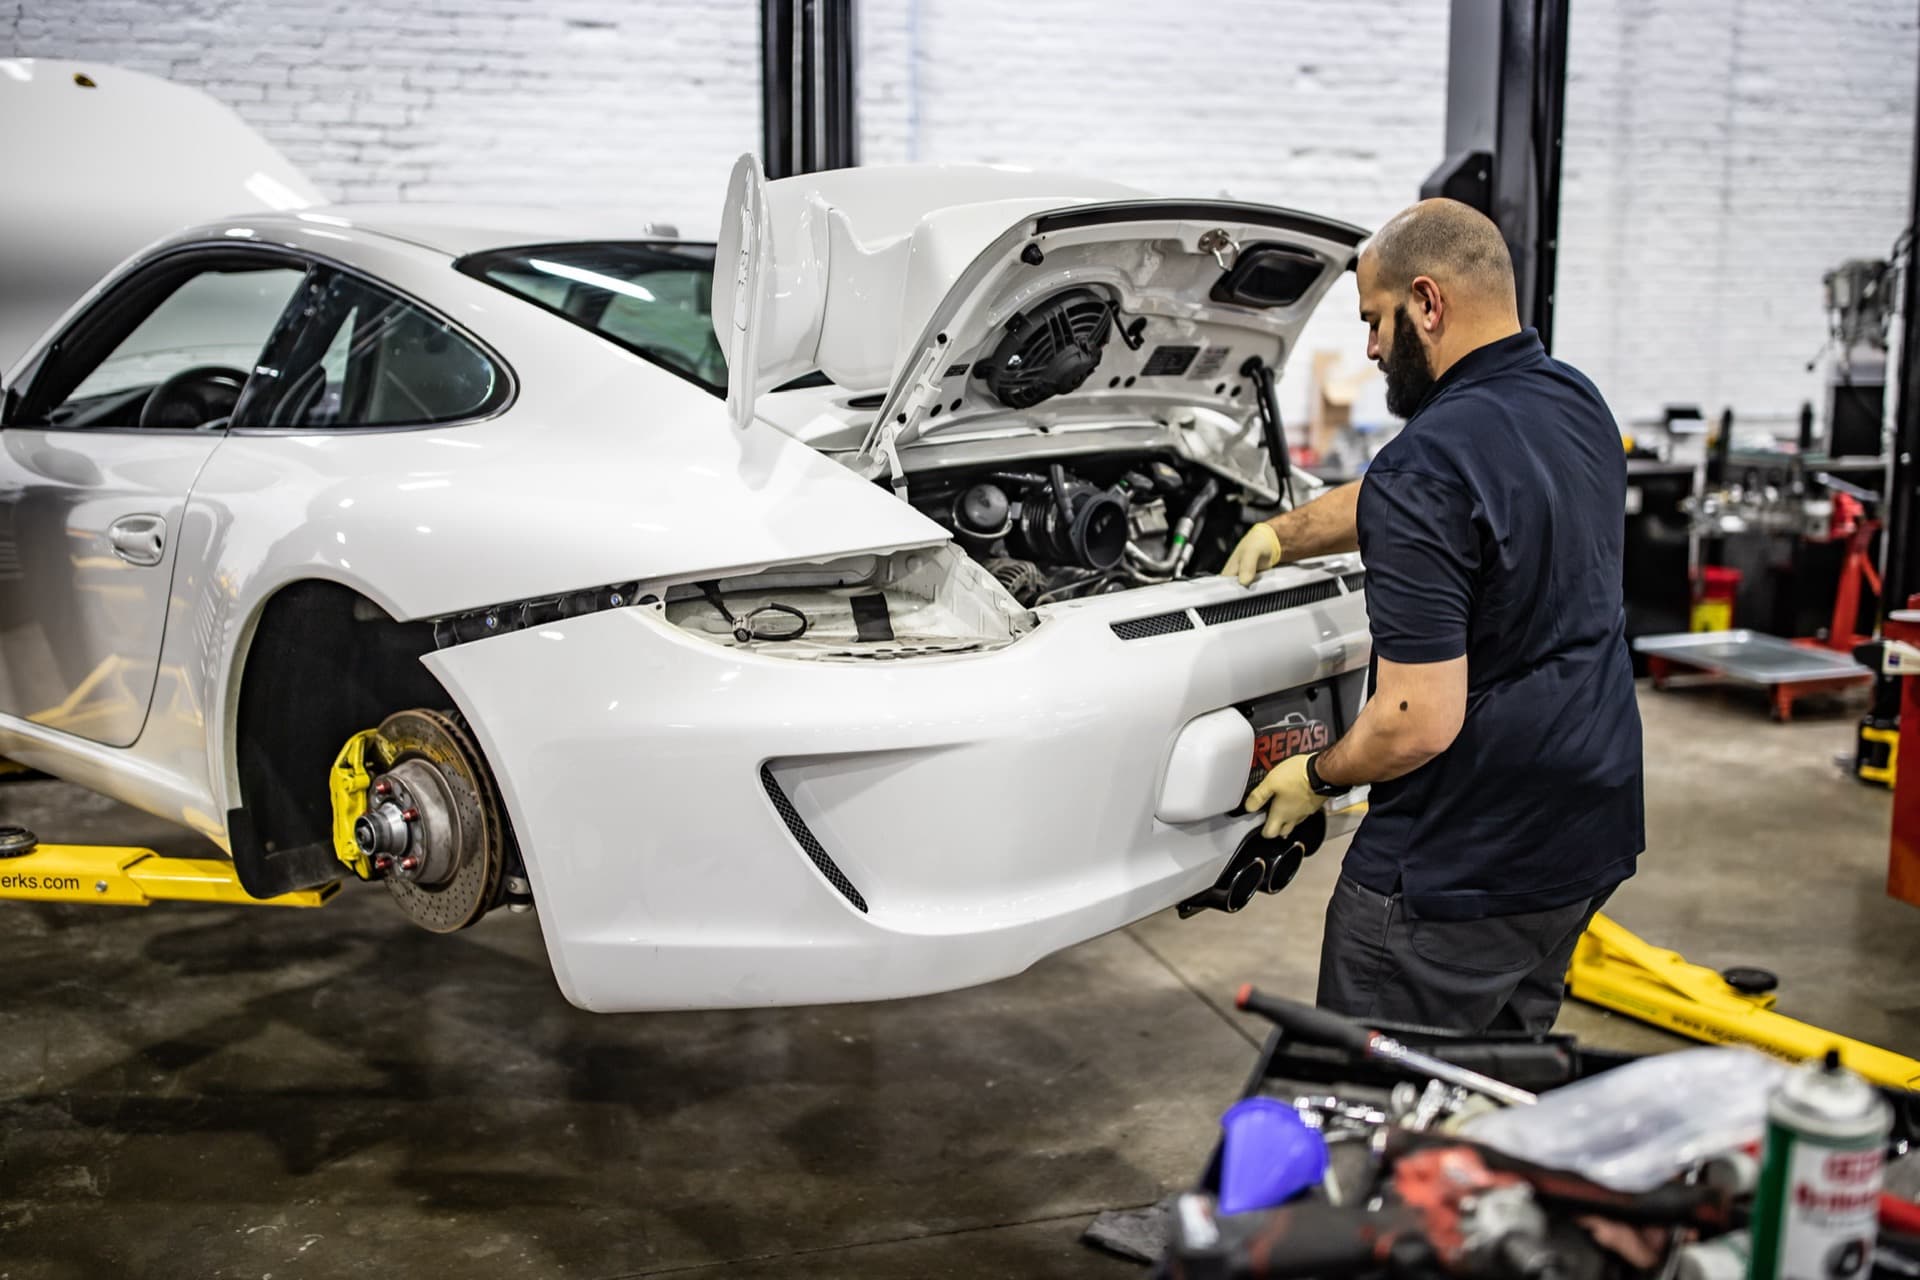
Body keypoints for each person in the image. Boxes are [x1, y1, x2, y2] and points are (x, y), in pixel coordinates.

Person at [1220, 198, 1644, 1034]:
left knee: (1377, 1114)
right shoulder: (1574, 401)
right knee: (1489, 1091)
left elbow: (1415, 720)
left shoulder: (1427, 464)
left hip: (1460, 863)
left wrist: (1315, 777)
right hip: (1588, 833)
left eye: (1376, 320)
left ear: (1428, 302)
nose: (1373, 347)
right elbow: (1439, 492)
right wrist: (1282, 532)